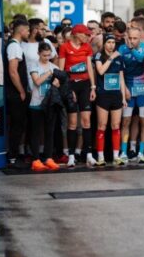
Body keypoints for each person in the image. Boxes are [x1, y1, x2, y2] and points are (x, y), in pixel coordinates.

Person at [58, 24, 96, 167]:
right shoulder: (65, 47)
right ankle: (71, 156)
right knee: (72, 122)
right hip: (71, 85)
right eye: (85, 34)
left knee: (86, 121)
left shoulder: (87, 47)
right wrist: (68, 88)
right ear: (77, 34)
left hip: (85, 85)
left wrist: (93, 87)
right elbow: (61, 71)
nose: (87, 36)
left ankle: (89, 155)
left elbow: (90, 67)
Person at [118, 27, 144, 164]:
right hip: (129, 89)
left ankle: (141, 152)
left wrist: (131, 49)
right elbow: (119, 70)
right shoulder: (122, 49)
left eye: (135, 38)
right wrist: (124, 89)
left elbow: (141, 59)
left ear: (140, 37)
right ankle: (124, 152)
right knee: (126, 121)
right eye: (130, 38)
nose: (132, 41)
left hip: (143, 90)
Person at [94, 34, 127, 166]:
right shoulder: (99, 56)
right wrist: (111, 58)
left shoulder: (119, 57)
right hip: (103, 95)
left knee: (116, 125)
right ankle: (100, 157)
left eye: (113, 42)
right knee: (102, 125)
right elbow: (100, 71)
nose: (111, 45)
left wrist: (123, 97)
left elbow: (121, 78)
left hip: (116, 95)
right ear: (104, 44)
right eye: (109, 42)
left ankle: (116, 156)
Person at [28, 43, 61, 171]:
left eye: (49, 55)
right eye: (44, 55)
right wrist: (49, 73)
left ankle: (48, 158)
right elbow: (37, 81)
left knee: (49, 132)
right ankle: (35, 159)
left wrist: (57, 83)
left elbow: (59, 84)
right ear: (39, 53)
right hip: (36, 103)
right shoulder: (34, 65)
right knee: (36, 132)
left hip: (50, 104)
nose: (47, 58)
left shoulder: (54, 67)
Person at [5, 19, 30, 168]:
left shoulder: (15, 45)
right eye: (27, 30)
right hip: (15, 93)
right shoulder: (14, 47)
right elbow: (13, 72)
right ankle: (13, 157)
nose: (28, 33)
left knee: (18, 125)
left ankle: (13, 155)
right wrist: (21, 91)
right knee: (17, 125)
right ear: (21, 31)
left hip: (15, 92)